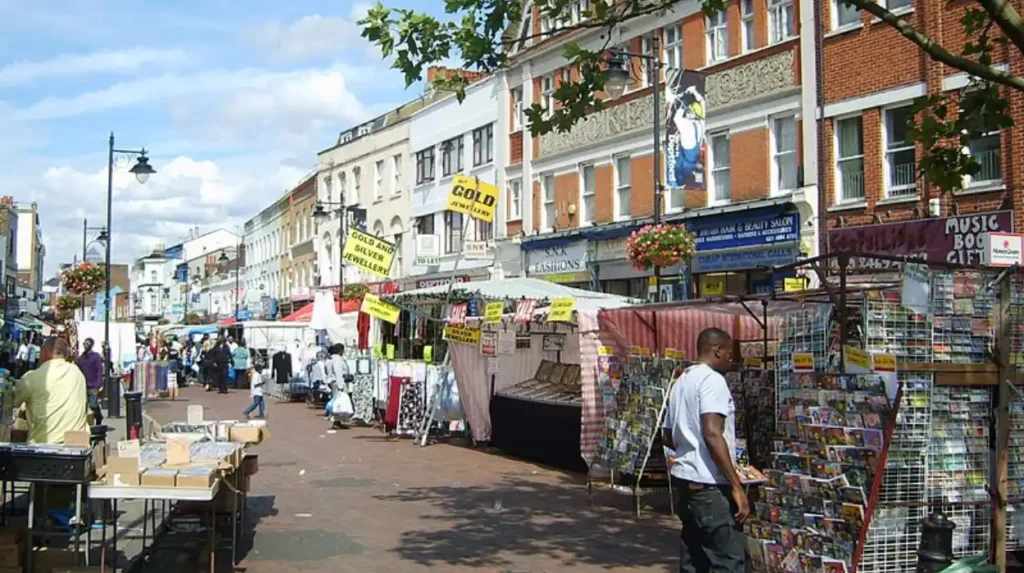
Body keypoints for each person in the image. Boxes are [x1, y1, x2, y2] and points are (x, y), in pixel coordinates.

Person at [662, 327, 748, 573]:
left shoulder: (682, 381)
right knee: (728, 561)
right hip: (709, 488)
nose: (731, 360)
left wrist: (690, 446)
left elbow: (667, 435)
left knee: (694, 560)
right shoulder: (712, 380)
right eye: (729, 354)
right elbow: (712, 432)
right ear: (717, 350)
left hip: (685, 483)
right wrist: (736, 486)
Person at [13, 337, 89, 444]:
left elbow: (13, 401)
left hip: (43, 445)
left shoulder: (32, 377)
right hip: (76, 445)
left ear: (45, 351)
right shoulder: (77, 373)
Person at [75, 338, 104, 425]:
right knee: (84, 405)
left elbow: (99, 371)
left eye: (87, 344)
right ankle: (88, 422)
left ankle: (99, 416)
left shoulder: (96, 356)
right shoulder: (81, 358)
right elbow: (78, 369)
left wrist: (98, 385)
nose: (85, 345)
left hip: (93, 385)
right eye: (84, 344)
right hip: (84, 385)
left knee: (93, 404)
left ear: (91, 345)